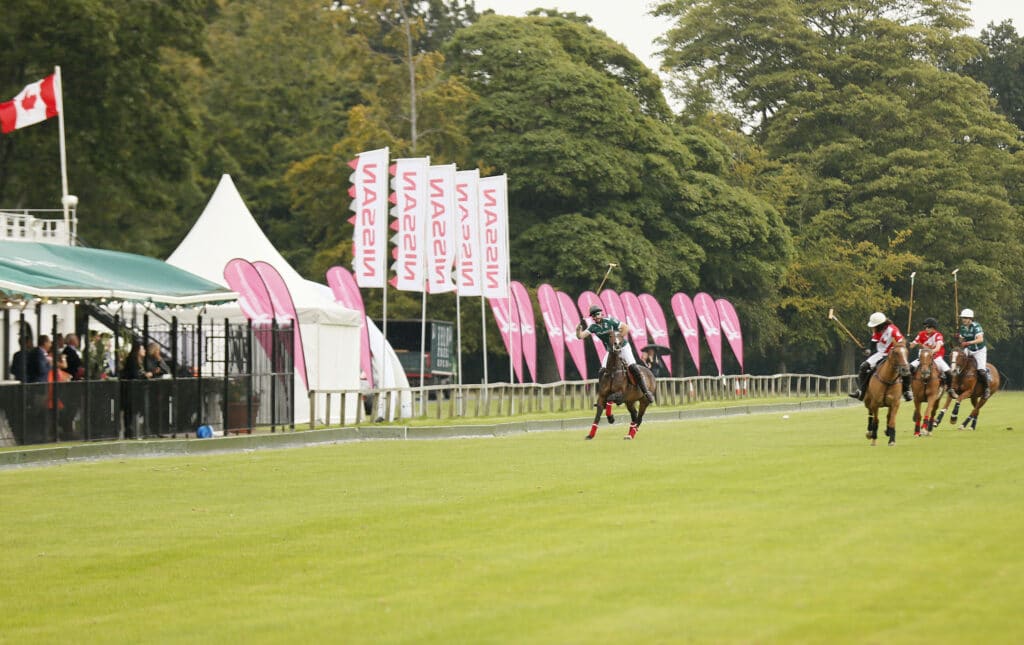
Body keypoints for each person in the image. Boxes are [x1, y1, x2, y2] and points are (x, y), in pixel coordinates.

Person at [576, 304, 655, 402]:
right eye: (593, 315)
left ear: (602, 314)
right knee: (602, 371)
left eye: (597, 314)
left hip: (623, 347)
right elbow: (580, 336)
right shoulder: (593, 327)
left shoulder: (610, 321)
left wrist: (618, 339)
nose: (596, 317)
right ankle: (603, 394)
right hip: (611, 351)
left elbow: (626, 328)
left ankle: (646, 392)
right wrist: (578, 329)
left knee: (633, 367)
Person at [848, 312, 912, 402]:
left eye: (874, 325)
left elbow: (901, 342)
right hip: (880, 354)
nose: (873, 327)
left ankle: (906, 391)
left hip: (894, 354)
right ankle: (862, 391)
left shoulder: (893, 330)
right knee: (863, 367)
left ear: (880, 324)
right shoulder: (876, 331)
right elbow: (873, 345)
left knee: (905, 368)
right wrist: (868, 351)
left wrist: (906, 343)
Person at [908, 317, 951, 392]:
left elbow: (937, 348)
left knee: (948, 371)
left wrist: (929, 352)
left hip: (936, 357)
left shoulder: (938, 335)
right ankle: (908, 387)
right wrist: (908, 343)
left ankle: (949, 388)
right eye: (926, 327)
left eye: (929, 327)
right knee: (909, 368)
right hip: (923, 358)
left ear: (934, 328)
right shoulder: (921, 334)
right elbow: (912, 345)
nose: (926, 328)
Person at [957, 308, 991, 398]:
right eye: (962, 318)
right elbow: (962, 340)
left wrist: (968, 342)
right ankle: (954, 385)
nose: (963, 319)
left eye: (965, 318)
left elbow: (980, 339)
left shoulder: (976, 326)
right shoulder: (962, 328)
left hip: (979, 350)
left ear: (970, 318)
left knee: (981, 370)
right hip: (969, 349)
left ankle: (987, 388)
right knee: (958, 362)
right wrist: (959, 337)